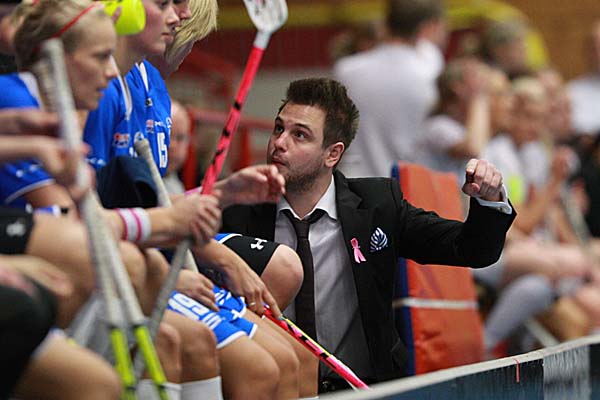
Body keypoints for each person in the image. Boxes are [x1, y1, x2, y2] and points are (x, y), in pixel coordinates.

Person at [222, 77, 516, 391]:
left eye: (299, 135)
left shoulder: (378, 205)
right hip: (277, 389)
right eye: (279, 128)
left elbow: (471, 249)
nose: (279, 143)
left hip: (364, 388)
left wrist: (490, 200)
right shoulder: (238, 213)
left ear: (332, 154)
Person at [334, 0, 446, 177]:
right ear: (429, 27)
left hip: (354, 183)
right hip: (408, 184)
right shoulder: (430, 72)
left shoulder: (346, 71)